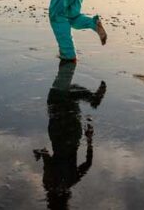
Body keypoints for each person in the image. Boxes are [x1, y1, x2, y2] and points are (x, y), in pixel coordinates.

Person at [33, 61, 106, 210]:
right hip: (58, 133)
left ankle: (91, 97)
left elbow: (88, 164)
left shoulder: (70, 181)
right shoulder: (49, 183)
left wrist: (89, 140)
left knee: (69, 94)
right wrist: (40, 152)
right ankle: (92, 98)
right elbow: (47, 156)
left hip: (72, 137)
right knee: (63, 94)